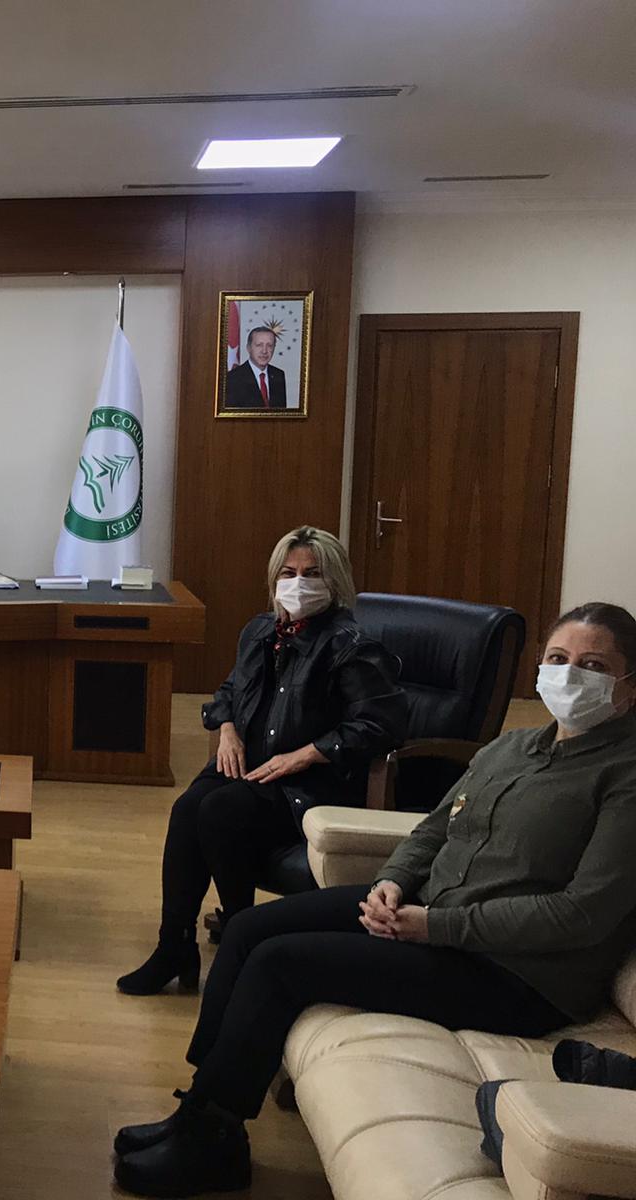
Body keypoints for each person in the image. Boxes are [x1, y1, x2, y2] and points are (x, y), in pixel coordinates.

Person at [112, 601, 636, 1198]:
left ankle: (214, 1141)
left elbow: (580, 914)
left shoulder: (624, 776)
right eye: (558, 659)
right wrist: (392, 881)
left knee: (281, 964)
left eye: (593, 666)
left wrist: (435, 925)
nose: (570, 675)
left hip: (514, 974)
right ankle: (200, 1106)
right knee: (247, 929)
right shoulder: (511, 748)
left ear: (629, 687)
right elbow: (433, 830)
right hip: (431, 912)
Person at [116, 526, 407, 997]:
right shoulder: (259, 631)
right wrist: (226, 728)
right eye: (288, 573)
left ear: (334, 582)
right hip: (252, 767)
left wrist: (306, 754)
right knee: (188, 808)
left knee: (219, 810)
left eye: (312, 573)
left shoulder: (351, 645)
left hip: (310, 783)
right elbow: (229, 690)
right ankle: (174, 946)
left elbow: (382, 725)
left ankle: (241, 941)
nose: (299, 583)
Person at [224, 327, 288, 410]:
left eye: (269, 345)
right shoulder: (233, 378)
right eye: (259, 345)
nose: (264, 351)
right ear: (248, 348)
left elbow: (281, 413)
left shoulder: (278, 375)